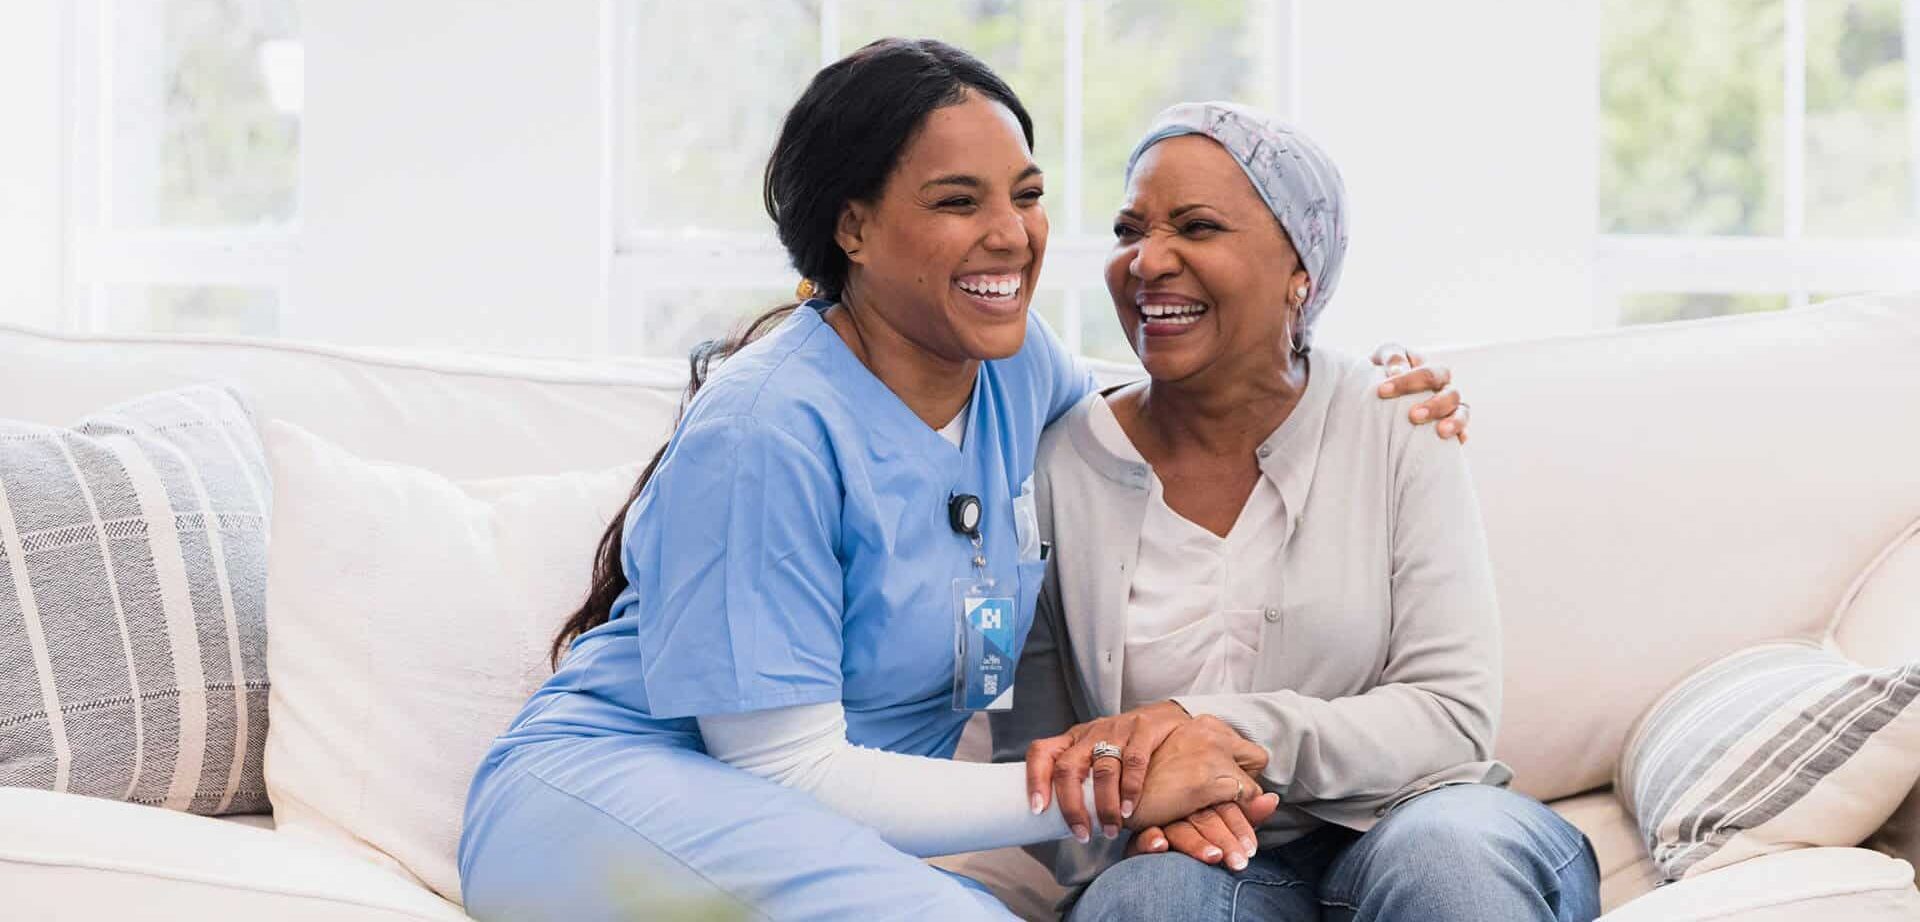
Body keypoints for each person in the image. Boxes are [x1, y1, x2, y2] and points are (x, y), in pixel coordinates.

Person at [457, 42, 1467, 922]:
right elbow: (782, 768)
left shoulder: (1017, 372)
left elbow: (1191, 389)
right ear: (852, 228)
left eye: (1026, 196)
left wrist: (1360, 380)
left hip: (809, 833)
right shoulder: (767, 428)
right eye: (957, 201)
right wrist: (1116, 788)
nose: (1010, 234)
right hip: (608, 801)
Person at [991, 102, 1600, 922]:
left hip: (1417, 813)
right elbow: (1037, 760)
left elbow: (1450, 718)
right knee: (1152, 902)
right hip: (1195, 854)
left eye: (1197, 227)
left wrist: (1213, 731)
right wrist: (1143, 811)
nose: (1147, 260)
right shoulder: (1057, 461)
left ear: (1300, 270)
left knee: (1449, 864)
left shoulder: (1398, 422)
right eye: (1129, 228)